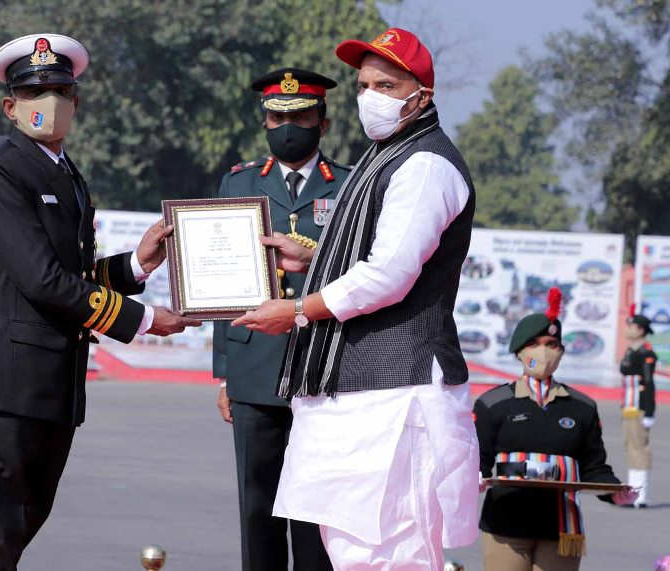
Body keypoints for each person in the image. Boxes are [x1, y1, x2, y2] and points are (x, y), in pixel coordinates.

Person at [0, 34, 200, 570]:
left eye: (61, 90)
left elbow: (71, 276)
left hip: (51, 385)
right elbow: (41, 280)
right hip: (6, 384)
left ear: (76, 102)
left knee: (20, 526)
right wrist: (144, 320)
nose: (50, 102)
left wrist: (137, 265)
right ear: (10, 107)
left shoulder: (66, 173)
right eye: (34, 93)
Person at [233, 28, 479, 570]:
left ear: (422, 95)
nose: (370, 97)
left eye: (387, 86)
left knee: (391, 554)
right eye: (364, 85)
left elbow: (389, 274)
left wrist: (298, 309)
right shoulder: (388, 155)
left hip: (397, 391)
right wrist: (311, 260)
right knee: (352, 551)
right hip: (362, 396)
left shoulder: (425, 165)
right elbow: (373, 255)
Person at [213, 68, 349, 571]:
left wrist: (311, 260)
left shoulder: (350, 185)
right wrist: (224, 373)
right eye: (277, 118)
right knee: (258, 508)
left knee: (316, 511)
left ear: (323, 123)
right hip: (254, 368)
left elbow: (365, 271)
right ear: (264, 122)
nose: (288, 127)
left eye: (301, 117)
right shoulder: (239, 182)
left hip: (323, 366)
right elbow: (221, 286)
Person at [473, 288, 637, 571]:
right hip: (505, 524)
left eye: (551, 344)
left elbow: (594, 467)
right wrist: (473, 478)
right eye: (534, 344)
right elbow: (478, 461)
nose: (544, 351)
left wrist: (615, 492)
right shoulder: (493, 404)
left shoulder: (581, 407)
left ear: (560, 351)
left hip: (560, 527)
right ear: (519, 351)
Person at [620, 307, 657, 507]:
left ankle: (641, 495)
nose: (628, 329)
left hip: (640, 406)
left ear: (641, 330)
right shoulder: (631, 351)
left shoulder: (646, 353)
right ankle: (632, 492)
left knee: (640, 449)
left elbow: (649, 383)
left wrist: (650, 412)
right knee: (630, 447)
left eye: (631, 326)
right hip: (629, 405)